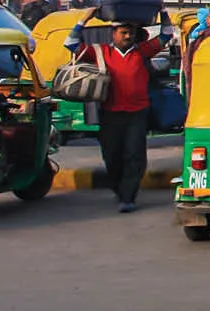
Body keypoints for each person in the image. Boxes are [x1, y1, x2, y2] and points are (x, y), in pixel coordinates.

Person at [68, 17, 170, 212]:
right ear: (113, 34)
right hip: (110, 113)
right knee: (112, 155)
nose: (127, 36)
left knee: (134, 155)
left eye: (130, 32)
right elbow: (70, 43)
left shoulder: (142, 51)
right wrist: (84, 19)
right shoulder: (101, 52)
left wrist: (164, 13)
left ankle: (128, 196)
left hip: (137, 113)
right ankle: (118, 188)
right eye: (123, 32)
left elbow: (166, 34)